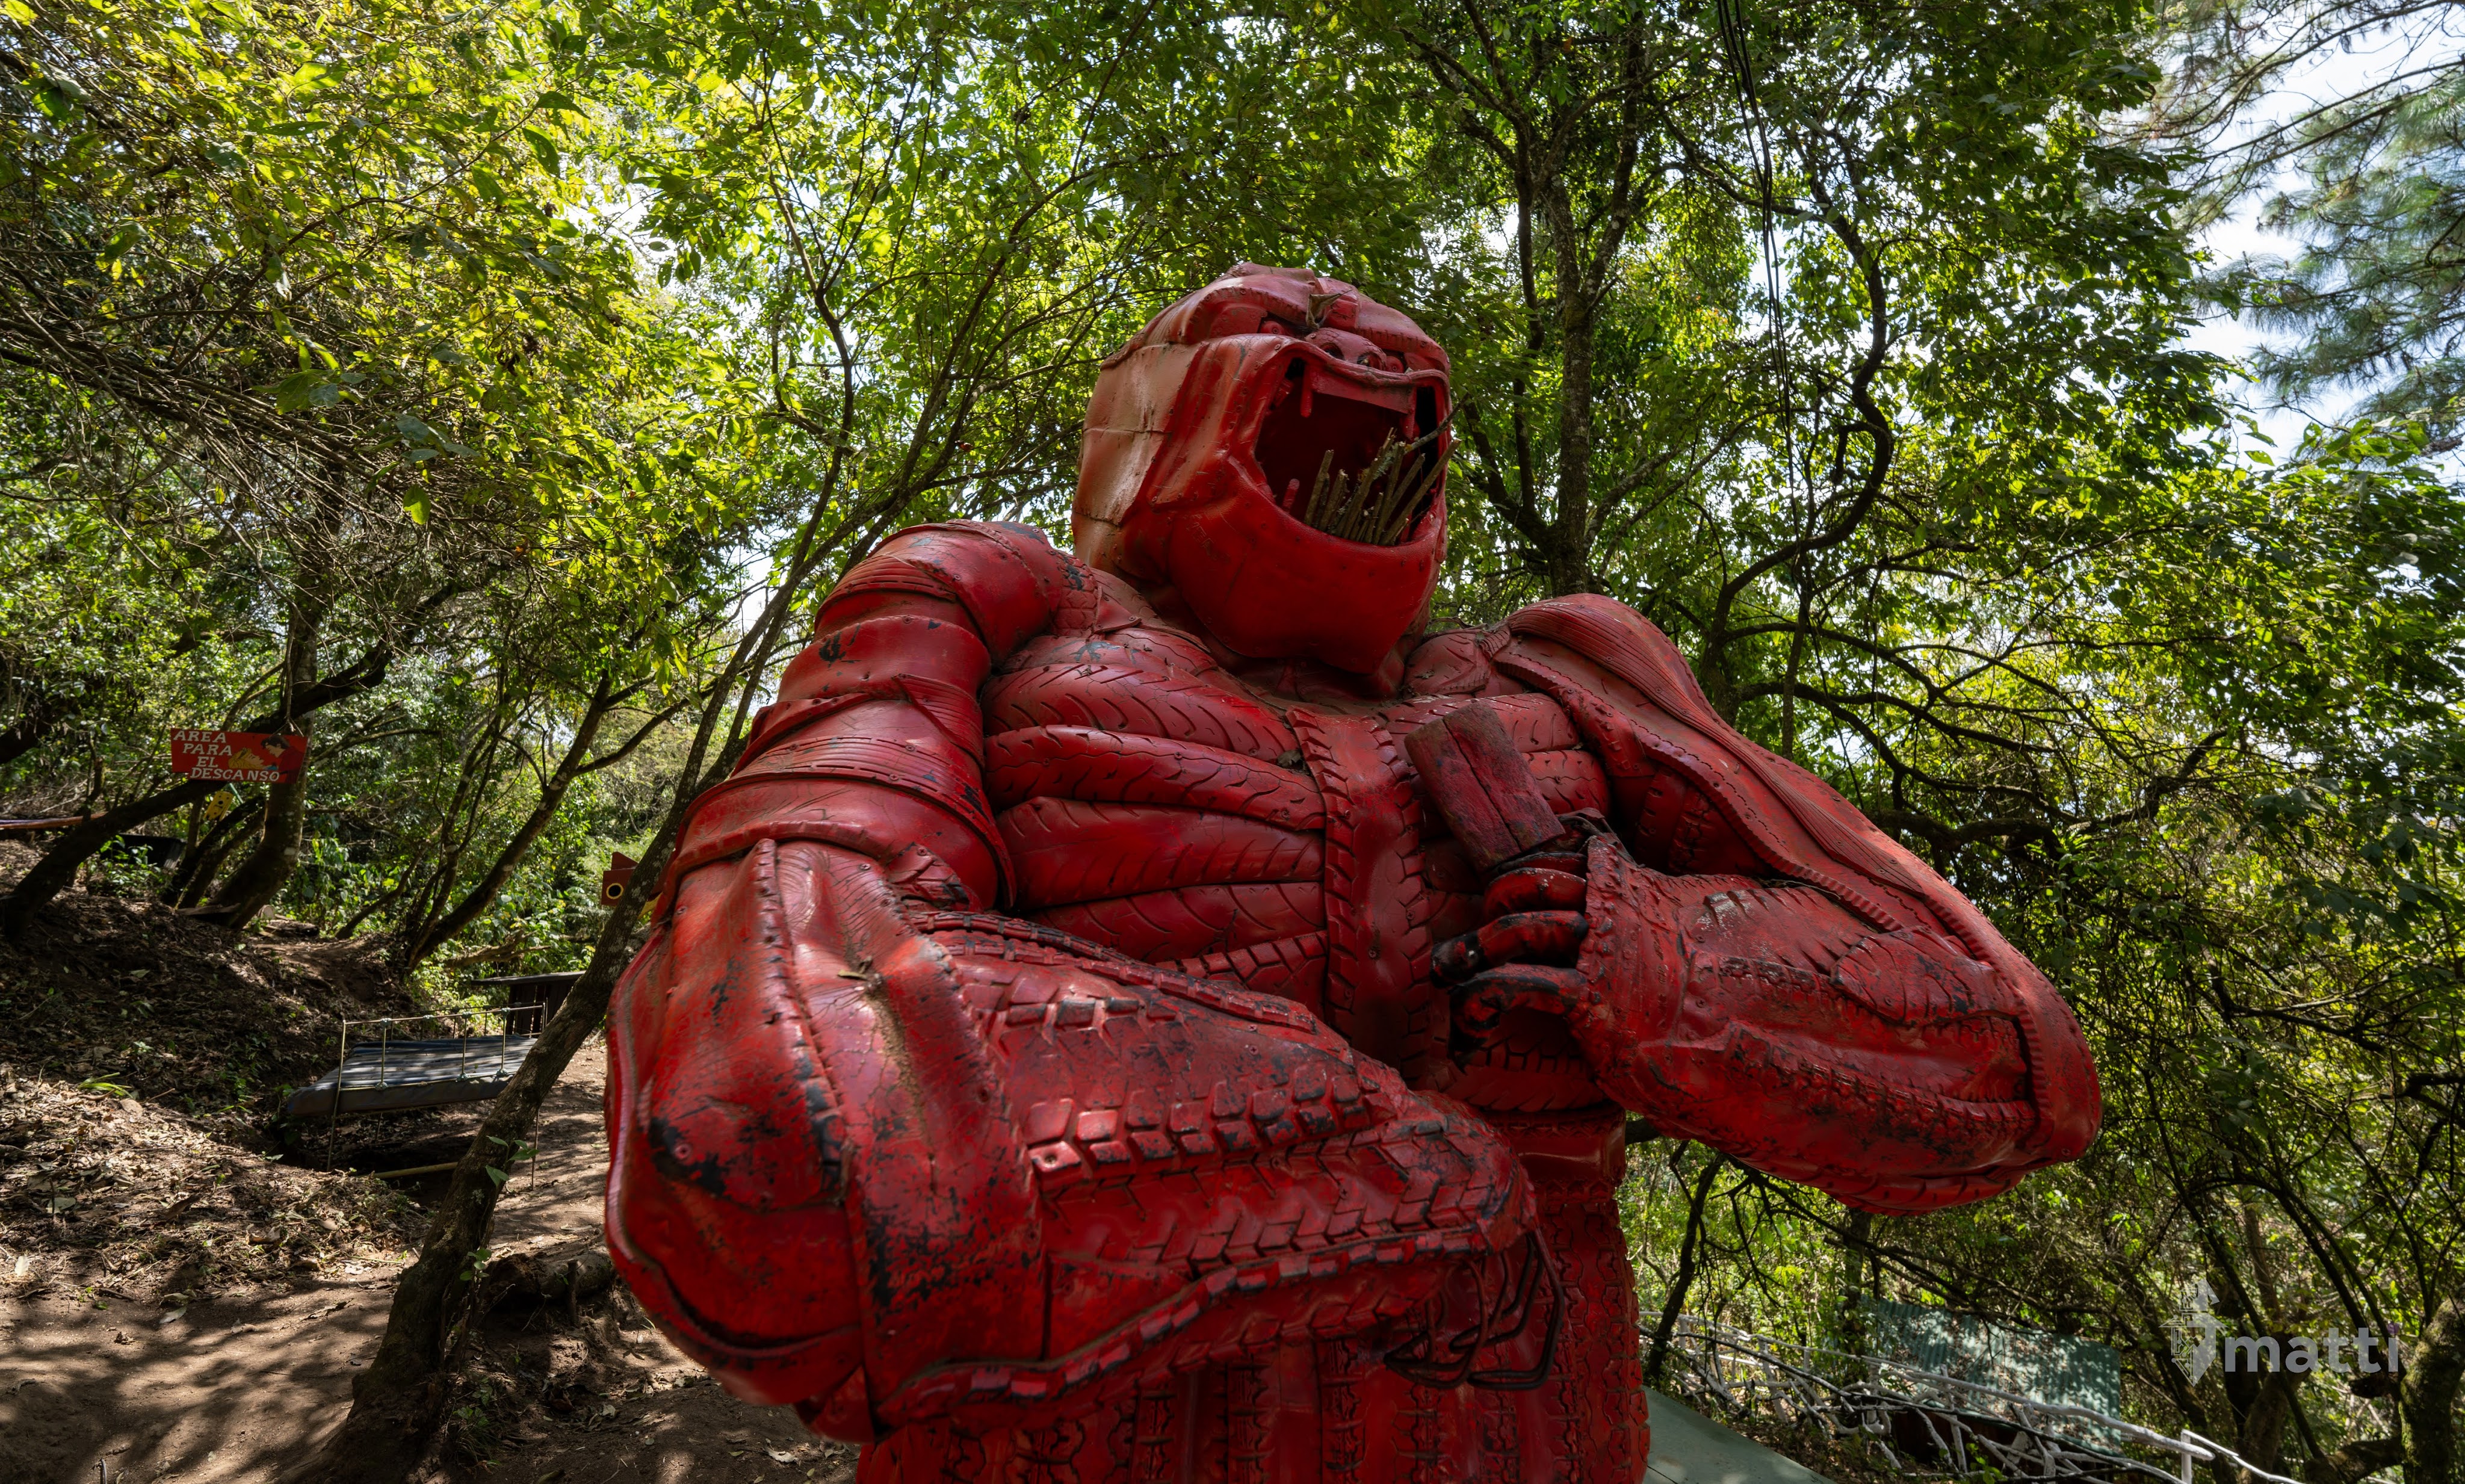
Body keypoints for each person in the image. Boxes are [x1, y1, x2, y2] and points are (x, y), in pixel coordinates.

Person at [603, 265, 2100, 1482]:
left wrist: (1651, 950)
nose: (1351, 347)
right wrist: (1413, 1177)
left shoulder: (1561, 671)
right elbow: (754, 1105)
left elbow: (2008, 1064)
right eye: (1265, 331)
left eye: (1394, 373)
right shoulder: (980, 601)